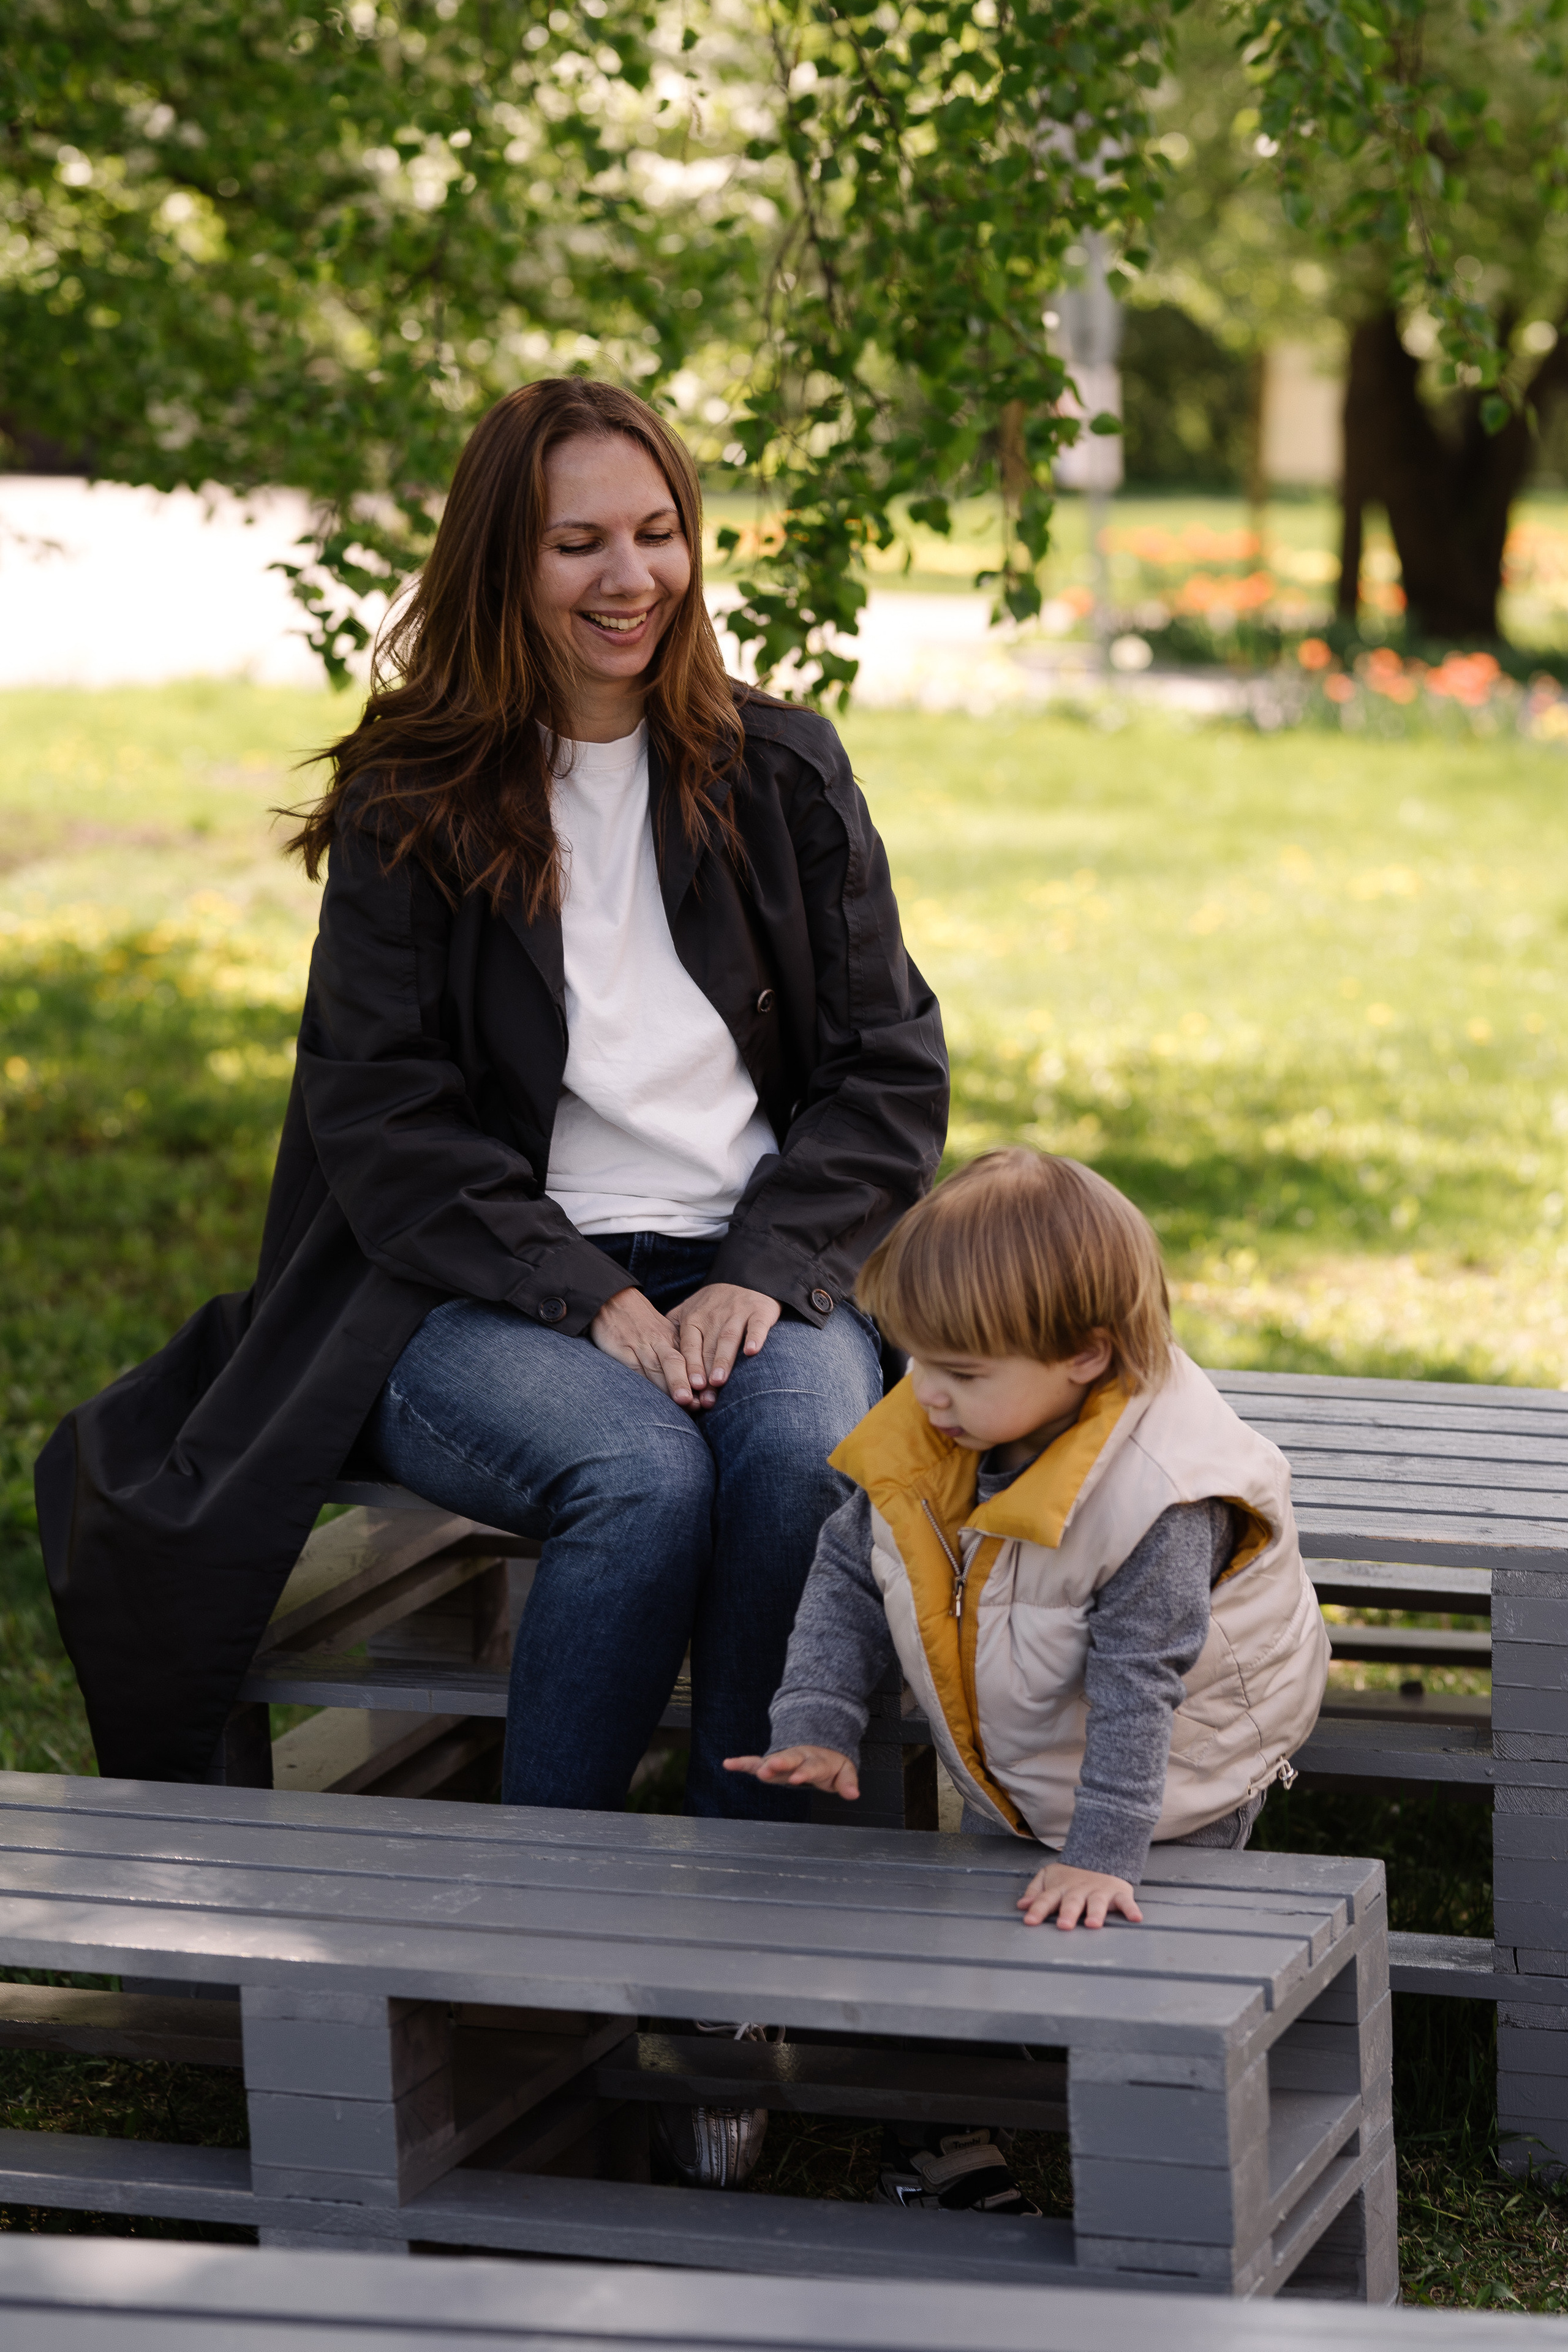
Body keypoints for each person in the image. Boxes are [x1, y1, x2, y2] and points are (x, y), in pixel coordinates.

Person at [34, 380, 948, 1846]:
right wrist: (586, 1296)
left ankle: (743, 1966)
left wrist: (758, 1277)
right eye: (577, 542)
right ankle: (536, 1954)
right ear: (502, 566)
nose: (630, 578)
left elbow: (887, 1069)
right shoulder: (417, 793)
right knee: (638, 1479)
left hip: (751, 1264)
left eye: (657, 534)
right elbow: (379, 1110)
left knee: (795, 1468)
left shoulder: (780, 774)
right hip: (476, 1286)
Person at [726, 1144, 1329, 2217]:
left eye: (961, 1374)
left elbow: (1143, 1688)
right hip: (1016, 1745)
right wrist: (817, 1712)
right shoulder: (940, 1425)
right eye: (915, 1362)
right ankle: (946, 2133)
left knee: (1120, 1955)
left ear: (1086, 1359)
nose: (929, 1396)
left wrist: (1102, 1856)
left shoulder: (1160, 1498)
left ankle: (1157, 2157)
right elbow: (851, 1569)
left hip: (1179, 1773)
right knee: (986, 1950)